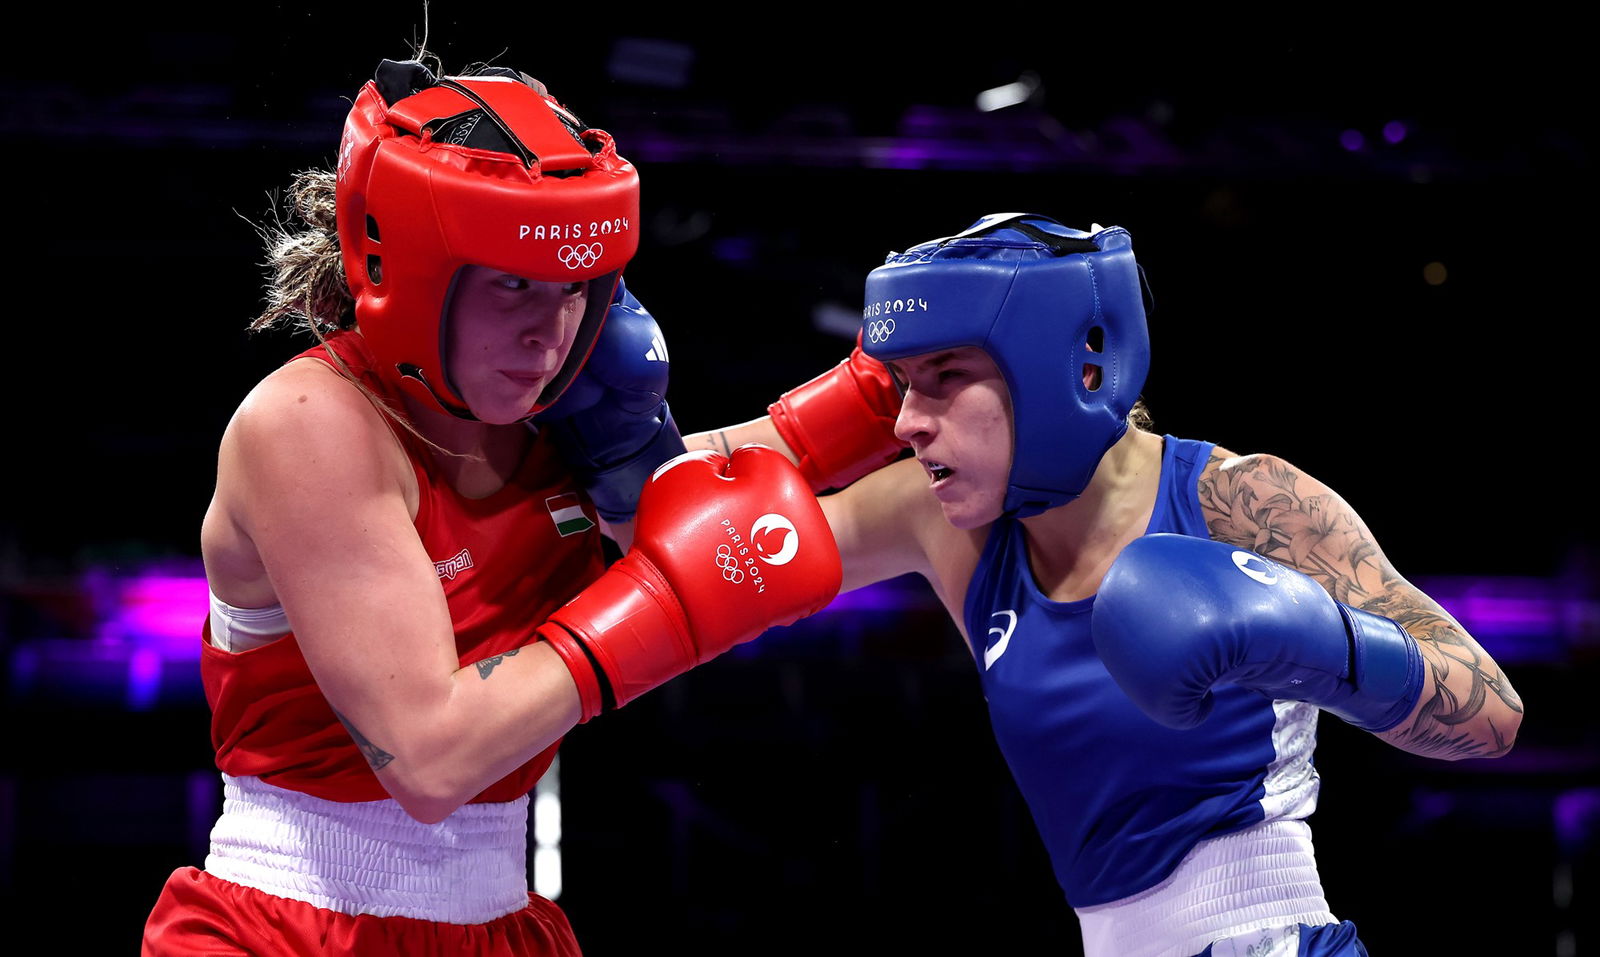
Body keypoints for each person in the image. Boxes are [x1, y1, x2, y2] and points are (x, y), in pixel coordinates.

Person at [141, 58, 840, 956]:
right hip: (287, 928)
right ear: (412, 270)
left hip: (503, 925)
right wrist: (664, 596)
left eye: (573, 288)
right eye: (513, 282)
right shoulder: (311, 425)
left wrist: (884, 397)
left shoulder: (558, 413)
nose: (548, 334)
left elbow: (732, 510)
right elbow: (429, 758)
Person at [696, 213, 1525, 956]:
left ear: (1065, 369)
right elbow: (703, 530)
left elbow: (1492, 715)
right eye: (902, 383)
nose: (908, 419)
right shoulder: (945, 520)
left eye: (944, 376)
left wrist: (1322, 646)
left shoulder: (1244, 503)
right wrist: (608, 422)